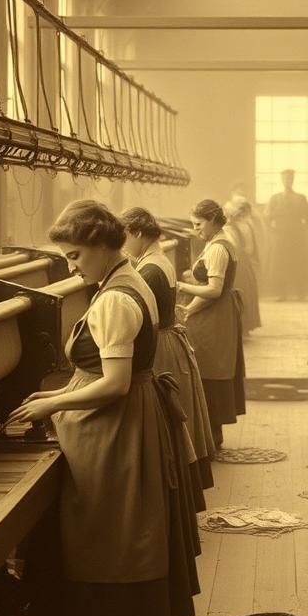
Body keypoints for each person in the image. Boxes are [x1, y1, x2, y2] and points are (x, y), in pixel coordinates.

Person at [7, 200, 201, 616]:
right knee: (127, 531)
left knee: (115, 538)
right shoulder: (129, 278)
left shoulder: (115, 299)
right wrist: (59, 396)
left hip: (116, 430)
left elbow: (114, 383)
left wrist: (53, 403)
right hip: (123, 422)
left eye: (75, 256)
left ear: (99, 246)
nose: (72, 266)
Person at [121, 206, 216, 491]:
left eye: (125, 237)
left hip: (160, 347)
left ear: (138, 233)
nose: (123, 245)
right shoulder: (158, 260)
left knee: (165, 422)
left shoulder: (149, 270)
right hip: (169, 341)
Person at [177, 199, 246, 449]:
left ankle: (211, 439)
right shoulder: (219, 241)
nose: (196, 230)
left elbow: (215, 290)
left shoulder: (217, 248)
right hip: (216, 313)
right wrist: (190, 306)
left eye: (199, 224)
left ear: (213, 221)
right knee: (209, 370)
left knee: (209, 369)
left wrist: (181, 286)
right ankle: (211, 436)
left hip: (213, 317)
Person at [266, 169, 308, 300]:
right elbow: (267, 216)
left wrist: (301, 227)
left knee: (298, 263)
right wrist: (273, 227)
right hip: (280, 237)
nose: (287, 181)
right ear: (281, 180)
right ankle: (282, 294)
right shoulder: (275, 198)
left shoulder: (300, 198)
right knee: (280, 265)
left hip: (296, 237)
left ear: (293, 180)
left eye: (290, 178)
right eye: (285, 178)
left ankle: (300, 293)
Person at [224, 196, 263, 333]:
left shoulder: (238, 226)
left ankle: (242, 326)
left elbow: (247, 248)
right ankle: (245, 326)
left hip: (240, 263)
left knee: (241, 292)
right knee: (245, 292)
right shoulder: (245, 224)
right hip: (244, 262)